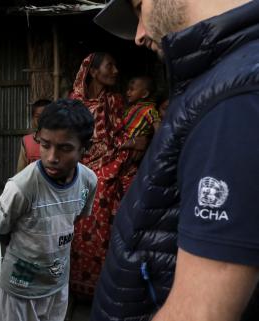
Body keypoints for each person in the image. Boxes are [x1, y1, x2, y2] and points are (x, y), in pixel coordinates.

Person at [90, 0, 259, 320]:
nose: (138, 35)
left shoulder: (233, 99)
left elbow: (199, 312)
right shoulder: (219, 81)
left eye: (139, 8)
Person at [0, 99, 97, 321]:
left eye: (65, 148)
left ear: (85, 148)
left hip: (57, 285)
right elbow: (1, 230)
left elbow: (72, 220)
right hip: (19, 288)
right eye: (45, 144)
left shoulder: (88, 181)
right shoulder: (22, 187)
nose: (51, 157)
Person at [68, 52, 130, 298]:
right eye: (110, 65)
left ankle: (99, 286)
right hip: (77, 167)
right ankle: (74, 284)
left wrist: (128, 146)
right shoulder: (74, 102)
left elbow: (120, 136)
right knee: (74, 222)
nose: (115, 71)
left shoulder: (114, 101)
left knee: (101, 219)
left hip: (108, 167)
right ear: (93, 72)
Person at [120, 76, 161, 191]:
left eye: (132, 89)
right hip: (124, 145)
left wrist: (157, 146)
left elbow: (158, 128)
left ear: (144, 94)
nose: (128, 92)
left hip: (131, 151)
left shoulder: (149, 110)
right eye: (128, 89)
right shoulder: (131, 108)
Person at [16, 99, 52, 173]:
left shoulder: (59, 141)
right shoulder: (26, 141)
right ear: (32, 118)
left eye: (45, 116)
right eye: (38, 116)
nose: (42, 119)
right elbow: (21, 171)